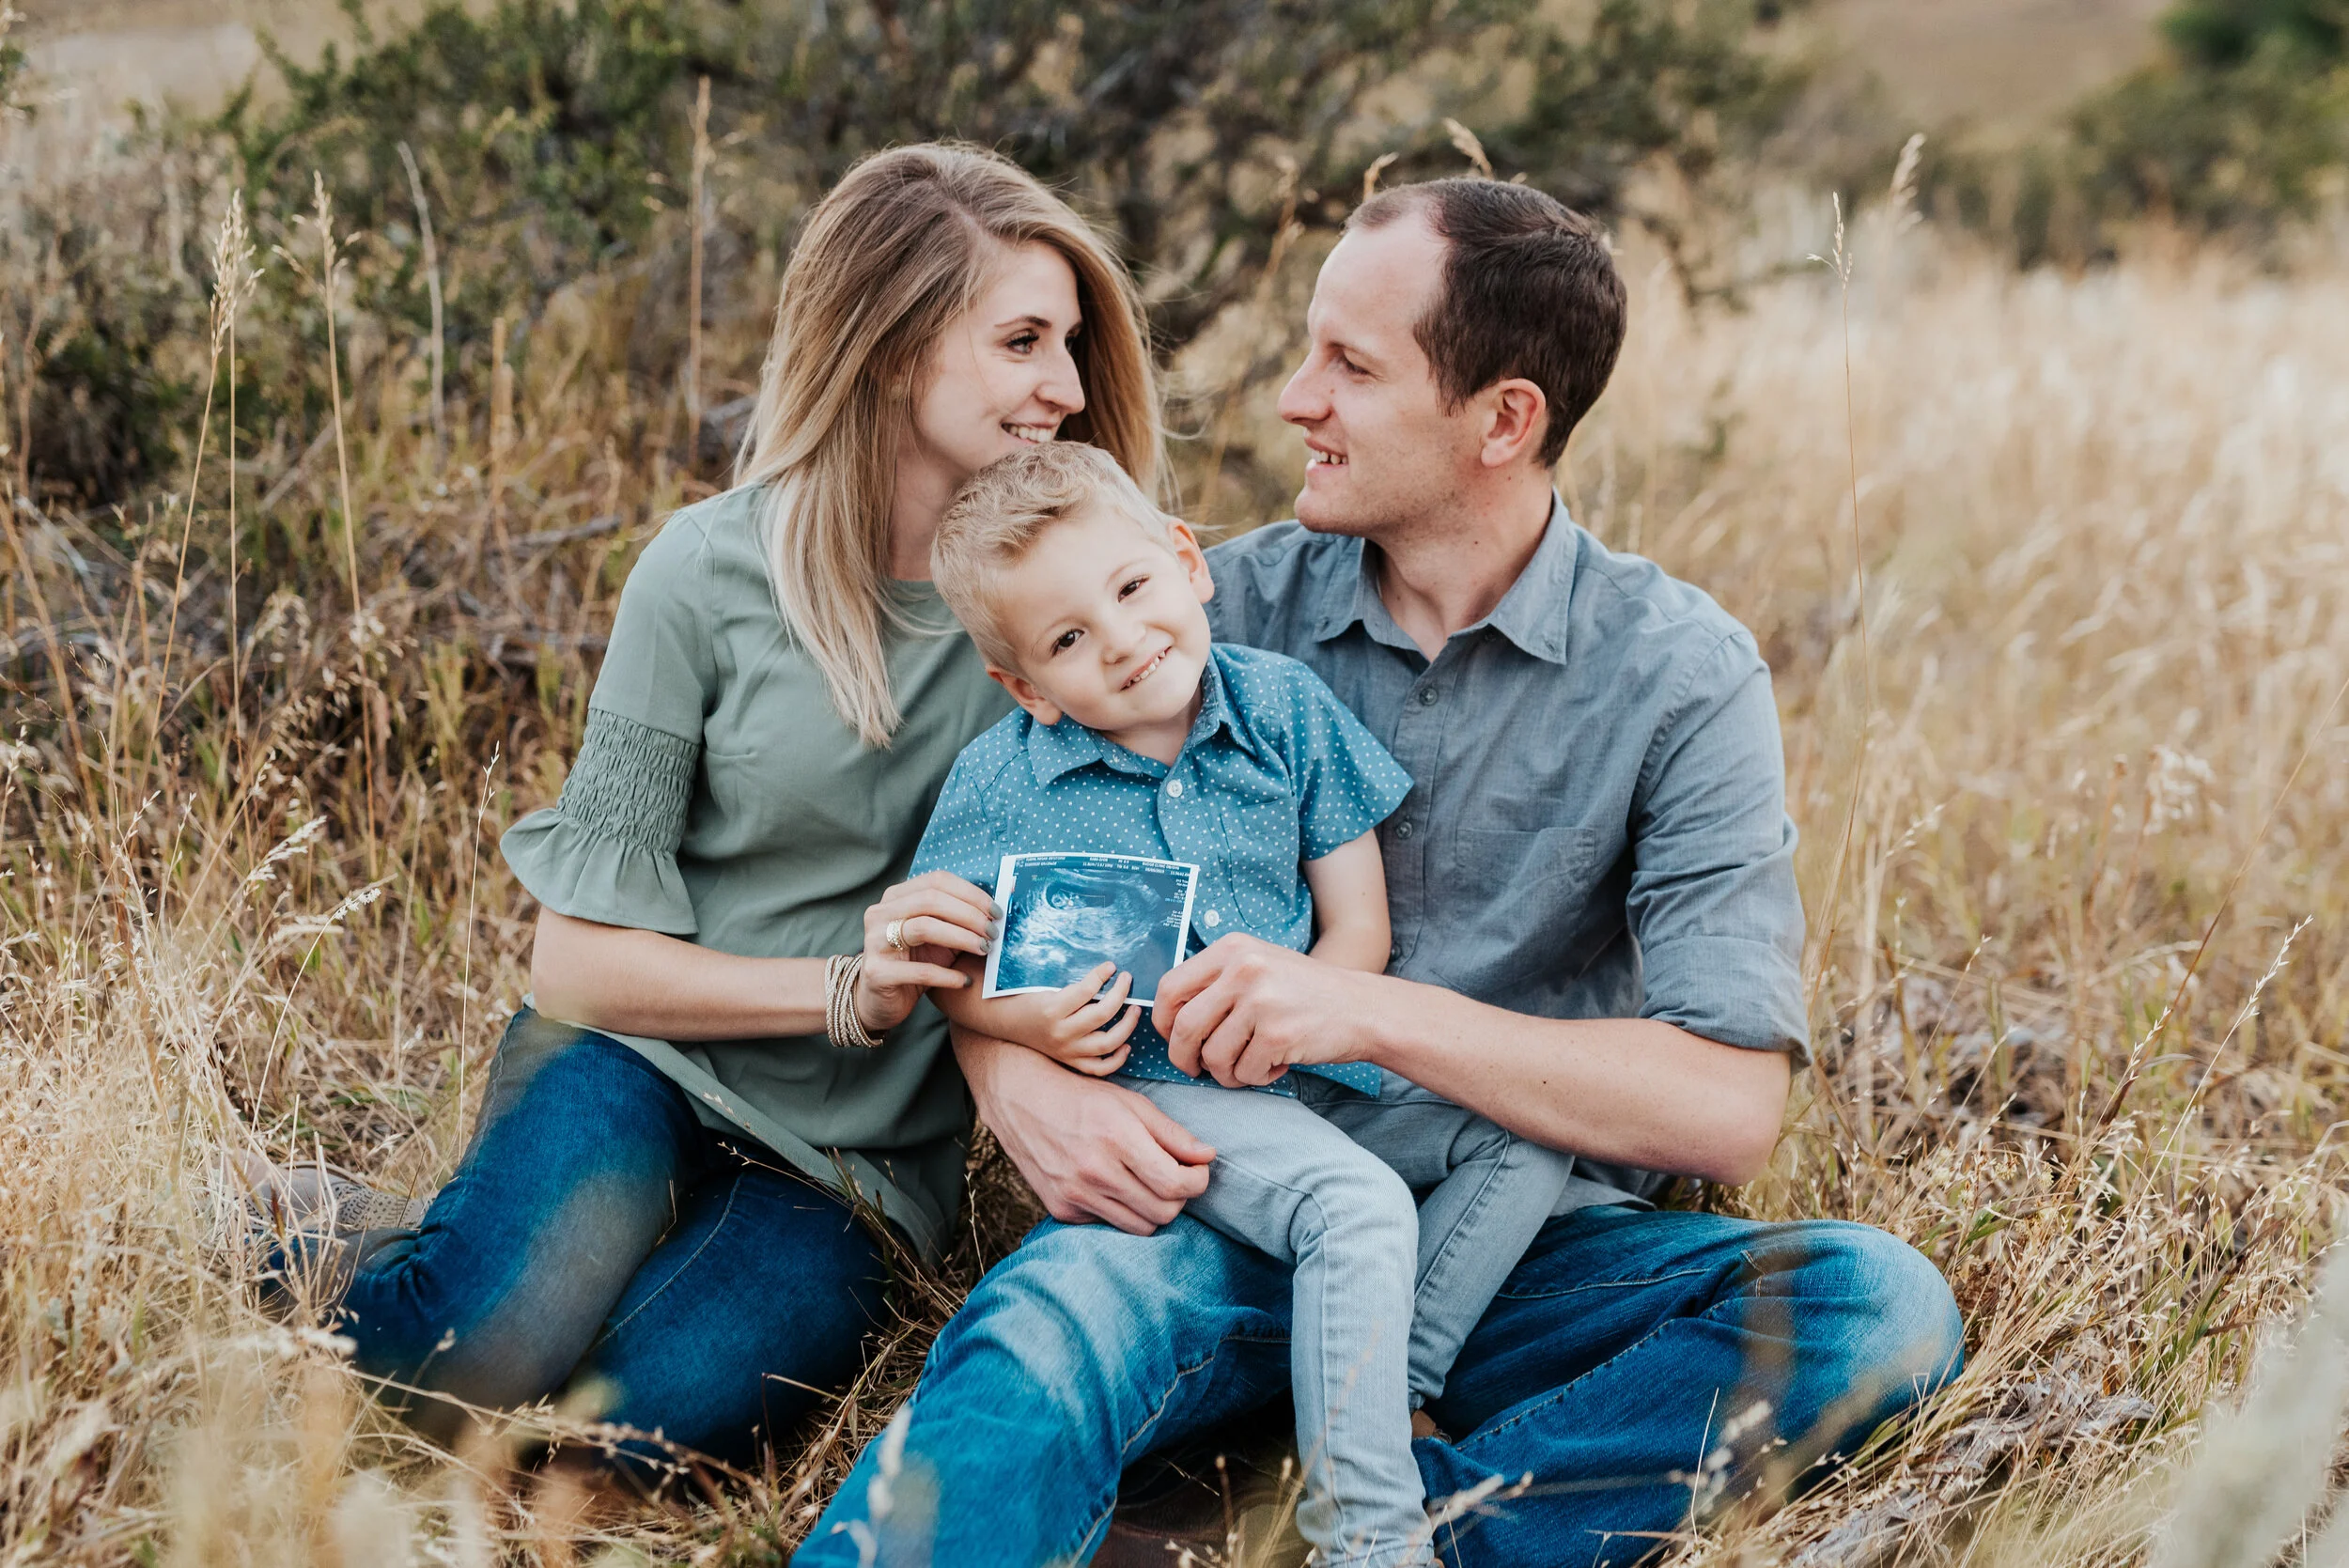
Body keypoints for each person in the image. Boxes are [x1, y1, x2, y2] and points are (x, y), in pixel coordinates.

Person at [798, 179, 1965, 1566]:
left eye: (1349, 366)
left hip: (1516, 1257)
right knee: (1040, 1339)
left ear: (1503, 420)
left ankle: (1379, 1530)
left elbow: (1724, 1108)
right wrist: (1012, 1071)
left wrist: (1359, 1012)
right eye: (1309, 350)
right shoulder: (1186, 614)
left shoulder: (1677, 675)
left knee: (1876, 1306)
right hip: (1210, 1207)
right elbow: (1013, 903)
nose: (1296, 398)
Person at [227, 142, 1173, 1475]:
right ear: (896, 348)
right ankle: (310, 1230)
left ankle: (550, 1265)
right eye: (1022, 341)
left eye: (1072, 343)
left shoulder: (1083, 621)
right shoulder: (707, 574)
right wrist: (845, 991)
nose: (1066, 389)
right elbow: (573, 960)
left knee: (614, 1441)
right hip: (644, 1064)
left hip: (849, 1168)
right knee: (464, 1368)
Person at [910, 441, 1578, 1565]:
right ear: (1025, 684)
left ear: (1185, 562)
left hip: (1317, 1067)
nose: (1121, 641)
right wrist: (1029, 1023)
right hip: (1171, 1097)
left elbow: (1359, 920)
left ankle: (1384, 1380)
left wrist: (1315, 1002)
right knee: (1360, 1207)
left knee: (1527, 1122)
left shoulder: (1282, 710)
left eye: (1131, 590)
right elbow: (950, 973)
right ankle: (1367, 1536)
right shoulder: (1003, 781)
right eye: (1068, 639)